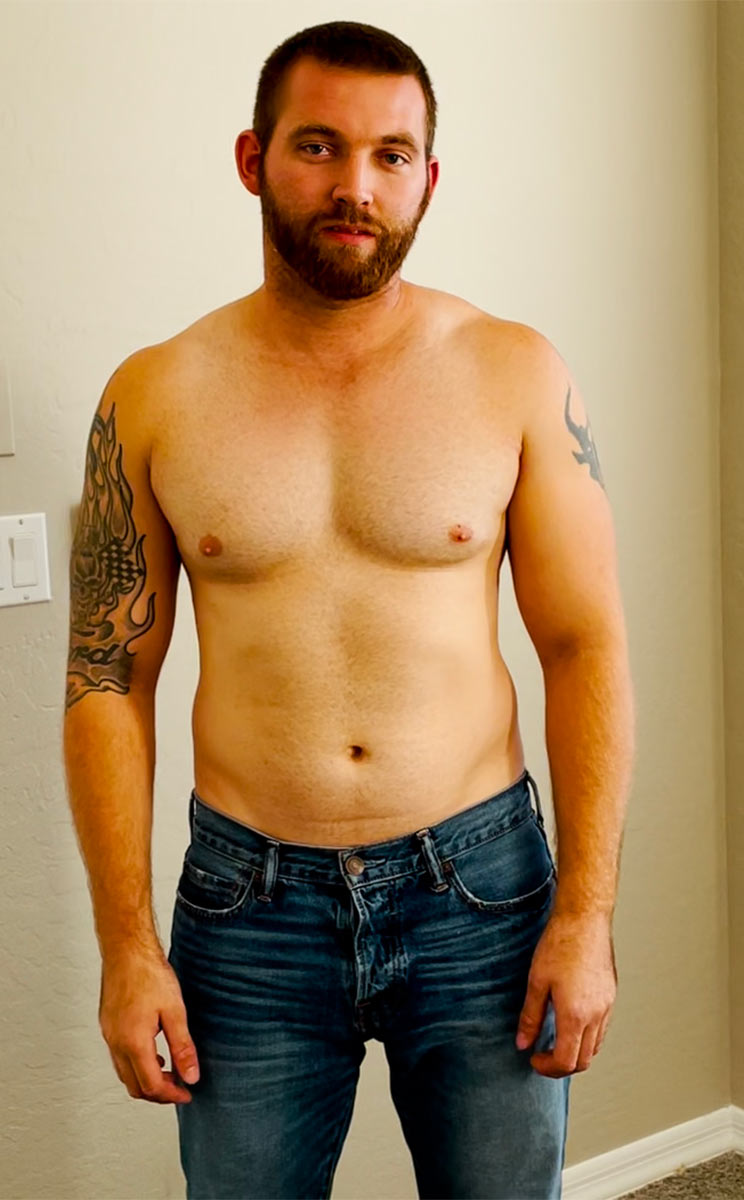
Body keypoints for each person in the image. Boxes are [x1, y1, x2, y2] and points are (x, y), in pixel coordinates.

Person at [63, 19, 635, 1200]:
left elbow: (584, 649)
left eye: (389, 155)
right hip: (247, 907)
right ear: (253, 158)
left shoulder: (513, 372)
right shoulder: (154, 393)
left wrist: (584, 916)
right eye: (318, 146)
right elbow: (107, 681)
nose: (354, 187)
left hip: (481, 891)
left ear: (428, 178)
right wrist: (125, 949)